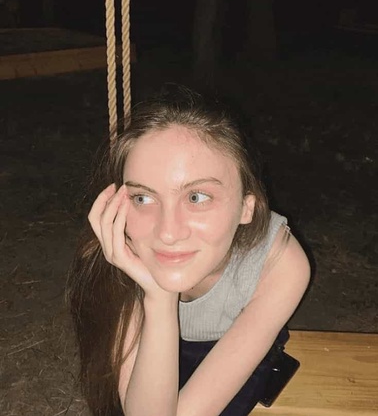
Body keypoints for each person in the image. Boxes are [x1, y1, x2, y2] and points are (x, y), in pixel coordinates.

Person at [67, 85, 311, 416]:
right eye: (143, 198)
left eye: (197, 197)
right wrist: (158, 295)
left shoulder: (279, 263)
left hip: (237, 352)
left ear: (246, 207)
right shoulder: (122, 253)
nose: (168, 232)